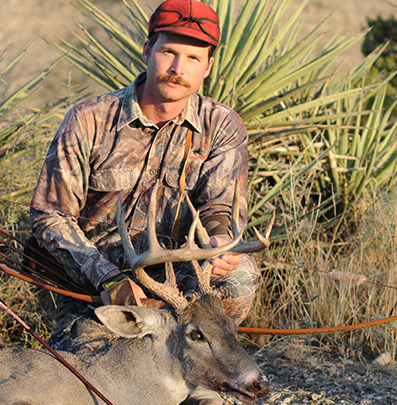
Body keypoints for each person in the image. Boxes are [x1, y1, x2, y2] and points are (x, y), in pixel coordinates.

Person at [30, 0, 260, 324]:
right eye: (169, 53)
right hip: (93, 275)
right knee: (87, 358)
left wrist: (221, 242)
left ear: (207, 67)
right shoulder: (89, 120)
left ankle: (189, 350)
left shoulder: (222, 126)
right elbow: (50, 215)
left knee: (240, 276)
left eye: (193, 58)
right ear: (147, 51)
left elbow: (219, 209)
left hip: (175, 274)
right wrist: (107, 278)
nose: (178, 69)